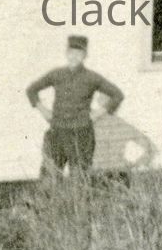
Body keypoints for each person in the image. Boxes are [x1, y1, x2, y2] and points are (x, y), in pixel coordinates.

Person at [24, 35, 124, 179]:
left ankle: (78, 193)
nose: (74, 56)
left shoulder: (92, 77)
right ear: (66, 53)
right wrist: (43, 110)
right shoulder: (56, 74)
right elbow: (31, 90)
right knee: (49, 176)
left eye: (79, 53)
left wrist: (97, 114)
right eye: (71, 52)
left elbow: (117, 95)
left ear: (85, 56)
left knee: (79, 178)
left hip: (81, 134)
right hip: (57, 132)